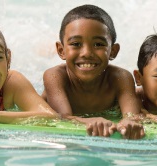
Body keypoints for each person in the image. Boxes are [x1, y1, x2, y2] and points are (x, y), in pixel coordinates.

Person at [42, 4, 144, 139]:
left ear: (113, 51)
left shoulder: (121, 78)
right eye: (76, 44)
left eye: (98, 44)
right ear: (61, 50)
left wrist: (129, 122)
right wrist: (88, 121)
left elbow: (132, 116)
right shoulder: (55, 76)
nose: (87, 53)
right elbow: (63, 118)